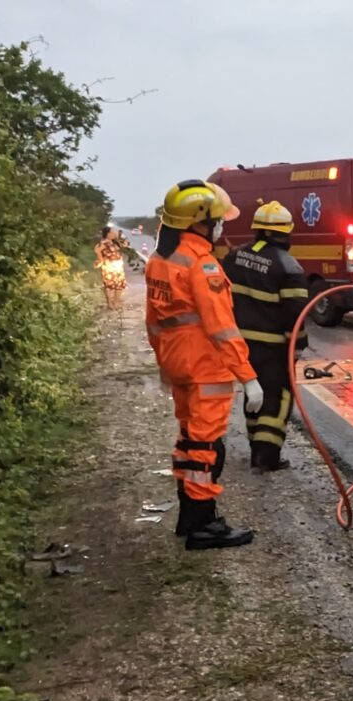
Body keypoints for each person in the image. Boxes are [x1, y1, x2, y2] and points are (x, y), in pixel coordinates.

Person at [144, 180, 262, 550]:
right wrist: (249, 377)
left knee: (188, 439)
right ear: (199, 222)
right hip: (205, 366)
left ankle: (189, 516)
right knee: (206, 446)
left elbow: (154, 322)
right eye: (217, 220)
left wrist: (166, 360)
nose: (221, 226)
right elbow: (221, 327)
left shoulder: (161, 258)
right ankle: (203, 526)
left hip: (178, 362)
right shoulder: (202, 264)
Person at [224, 201, 308, 471]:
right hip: (272, 346)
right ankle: (267, 456)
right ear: (286, 232)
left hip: (238, 344)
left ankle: (255, 447)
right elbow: (295, 314)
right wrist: (299, 345)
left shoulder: (233, 256)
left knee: (254, 393)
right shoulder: (288, 266)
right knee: (279, 396)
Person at [95, 226, 129, 311]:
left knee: (119, 285)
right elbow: (97, 250)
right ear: (108, 234)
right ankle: (110, 303)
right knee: (110, 285)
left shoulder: (113, 242)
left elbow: (126, 245)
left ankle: (115, 303)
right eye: (112, 232)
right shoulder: (104, 243)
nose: (114, 233)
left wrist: (120, 238)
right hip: (110, 267)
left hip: (117, 266)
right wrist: (101, 259)